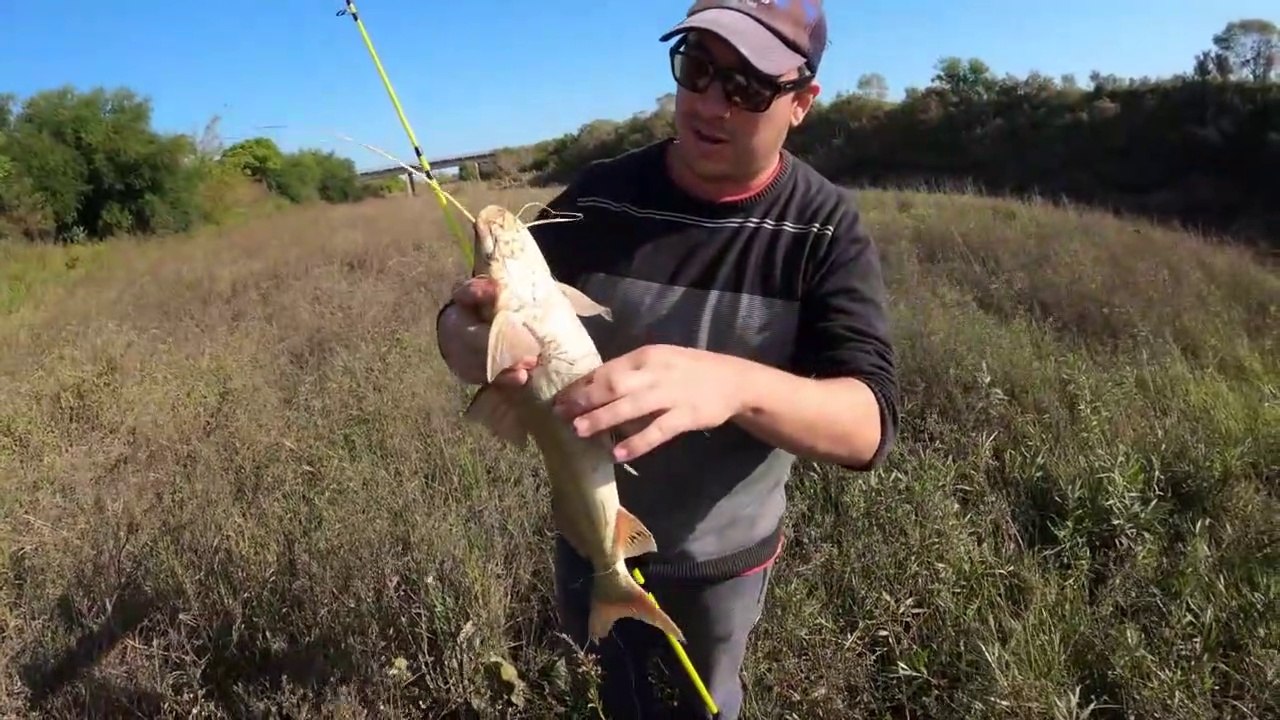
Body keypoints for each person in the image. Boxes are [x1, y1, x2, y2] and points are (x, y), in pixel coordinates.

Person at [435, 1, 899, 717]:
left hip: (723, 560)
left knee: (701, 700)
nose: (710, 103)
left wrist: (735, 385)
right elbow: (476, 315)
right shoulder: (602, 197)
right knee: (608, 693)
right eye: (698, 68)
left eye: (747, 87)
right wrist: (464, 338)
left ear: (802, 103)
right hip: (587, 533)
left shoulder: (824, 227)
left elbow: (868, 423)